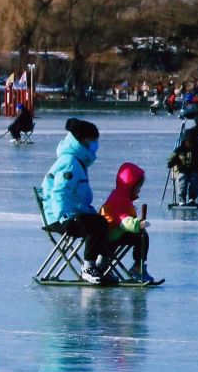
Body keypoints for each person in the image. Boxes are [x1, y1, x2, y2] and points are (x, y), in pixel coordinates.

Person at [39, 118, 111, 284]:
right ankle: (88, 267)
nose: (96, 145)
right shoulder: (70, 163)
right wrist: (65, 218)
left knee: (102, 222)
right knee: (96, 225)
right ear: (83, 141)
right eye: (94, 141)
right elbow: (59, 193)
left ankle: (100, 265)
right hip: (59, 218)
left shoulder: (77, 161)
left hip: (71, 214)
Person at [101, 163, 158, 283]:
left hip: (113, 233)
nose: (139, 190)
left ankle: (105, 266)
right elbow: (123, 220)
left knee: (139, 235)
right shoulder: (120, 200)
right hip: (110, 235)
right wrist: (138, 225)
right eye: (138, 187)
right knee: (141, 236)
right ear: (130, 186)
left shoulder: (120, 197)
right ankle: (138, 267)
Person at [166, 126, 198, 206]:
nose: (189, 143)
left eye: (191, 142)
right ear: (184, 141)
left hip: (194, 170)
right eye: (188, 141)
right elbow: (171, 158)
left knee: (195, 182)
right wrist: (170, 163)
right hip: (182, 170)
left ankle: (192, 198)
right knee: (182, 181)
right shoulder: (179, 150)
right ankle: (182, 198)